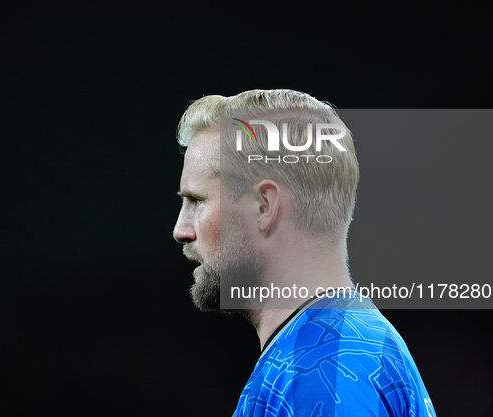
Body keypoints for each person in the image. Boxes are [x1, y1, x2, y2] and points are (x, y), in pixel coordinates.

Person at [173, 89, 437, 416]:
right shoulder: (350, 345)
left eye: (197, 200)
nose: (181, 229)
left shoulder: (318, 368)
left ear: (263, 207)